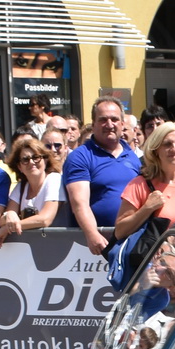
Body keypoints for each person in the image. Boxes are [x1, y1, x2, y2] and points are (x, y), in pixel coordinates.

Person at [113, 121, 175, 283]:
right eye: (167, 144)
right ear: (156, 150)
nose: (174, 149)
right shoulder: (140, 184)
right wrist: (147, 208)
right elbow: (120, 231)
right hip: (157, 276)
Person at [64, 97, 143, 255]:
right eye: (103, 120)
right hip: (97, 246)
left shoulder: (133, 156)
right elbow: (79, 203)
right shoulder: (80, 156)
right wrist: (92, 233)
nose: (109, 125)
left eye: (114, 119)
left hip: (133, 241)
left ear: (122, 124)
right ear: (93, 125)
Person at [0, 135, 62, 244]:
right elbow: (3, 220)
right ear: (19, 167)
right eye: (25, 159)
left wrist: (8, 227)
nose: (31, 162)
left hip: (58, 244)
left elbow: (45, 219)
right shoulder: (21, 187)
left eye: (36, 157)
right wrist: (9, 215)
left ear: (45, 160)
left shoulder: (54, 179)